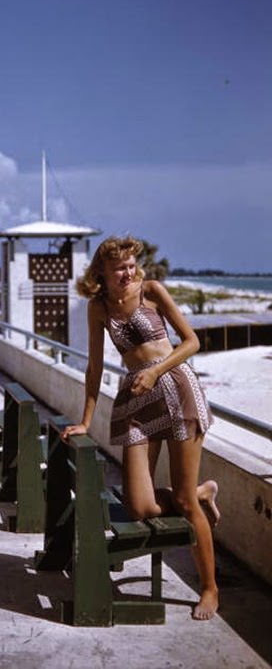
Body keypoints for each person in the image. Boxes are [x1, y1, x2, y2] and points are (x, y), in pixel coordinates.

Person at [62, 235, 220, 620]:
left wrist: (154, 371)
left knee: (179, 502)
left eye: (132, 265)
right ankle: (200, 495)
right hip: (136, 403)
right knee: (139, 507)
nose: (129, 273)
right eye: (120, 267)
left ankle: (210, 588)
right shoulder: (98, 308)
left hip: (177, 390)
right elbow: (95, 367)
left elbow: (192, 342)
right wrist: (85, 419)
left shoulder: (152, 291)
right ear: (102, 272)